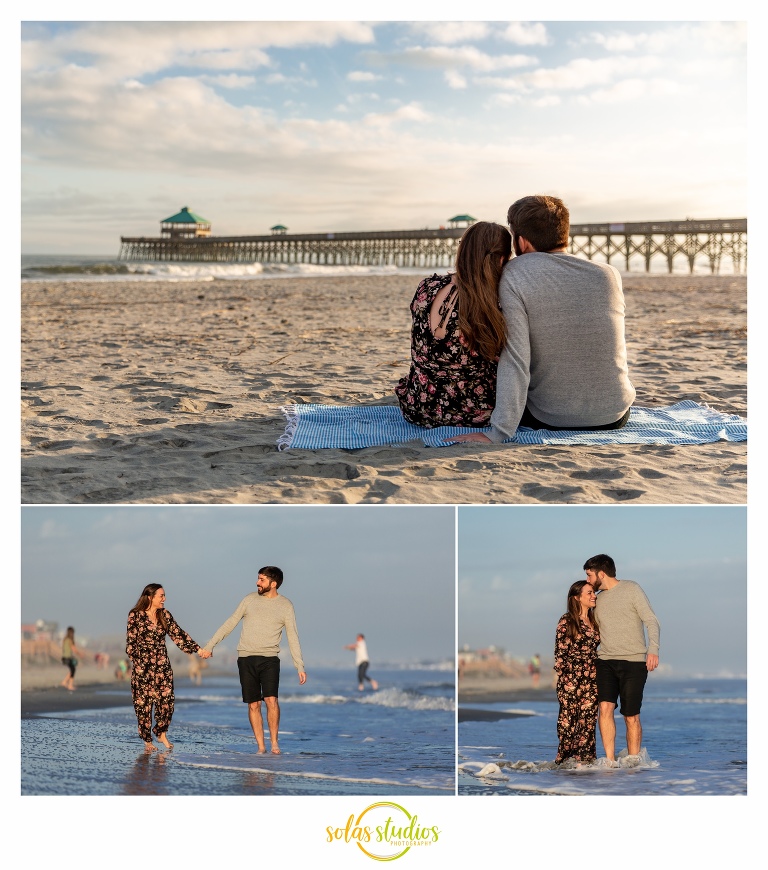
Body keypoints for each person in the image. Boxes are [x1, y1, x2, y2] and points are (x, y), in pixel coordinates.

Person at [450, 195, 635, 444]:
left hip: (551, 417)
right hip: (615, 414)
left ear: (522, 242)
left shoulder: (515, 274)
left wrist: (498, 432)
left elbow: (516, 359)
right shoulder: (609, 274)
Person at [395, 220, 511, 427]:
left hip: (418, 407)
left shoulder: (427, 287)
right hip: (473, 413)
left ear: (462, 250)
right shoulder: (495, 301)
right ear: (502, 259)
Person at [203, 566, 307, 755]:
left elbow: (293, 636)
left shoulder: (286, 606)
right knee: (253, 704)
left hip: (269, 659)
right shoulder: (249, 599)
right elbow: (230, 622)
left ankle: (274, 743)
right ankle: (260, 747)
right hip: (246, 658)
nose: (257, 583)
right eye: (258, 579)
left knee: (271, 700)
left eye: (261, 580)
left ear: (273, 584)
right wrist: (210, 645)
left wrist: (299, 665)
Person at [583, 554, 660, 761]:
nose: (588, 580)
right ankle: (609, 761)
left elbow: (651, 620)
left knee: (630, 716)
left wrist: (653, 649)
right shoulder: (597, 599)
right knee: (605, 707)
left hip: (634, 662)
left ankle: (633, 762)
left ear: (601, 573)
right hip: (605, 661)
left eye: (590, 575)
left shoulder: (632, 589)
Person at [126, 583, 211, 752]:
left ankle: (161, 732)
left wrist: (198, 649)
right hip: (142, 668)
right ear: (150, 597)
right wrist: (138, 663)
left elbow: (178, 634)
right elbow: (130, 644)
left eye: (164, 596)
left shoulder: (164, 615)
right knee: (143, 705)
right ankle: (147, 740)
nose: (164, 599)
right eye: (161, 596)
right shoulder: (135, 615)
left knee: (167, 703)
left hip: (162, 666)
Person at [554, 581, 599, 764]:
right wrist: (563, 683)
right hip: (570, 680)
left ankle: (585, 764)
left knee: (588, 725)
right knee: (568, 726)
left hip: (592, 679)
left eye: (593, 592)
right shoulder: (567, 620)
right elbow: (559, 654)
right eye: (589, 593)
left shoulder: (595, 620)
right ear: (577, 597)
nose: (593, 595)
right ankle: (564, 764)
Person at [60, 626, 82, 691]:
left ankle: (64, 682)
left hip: (64, 658)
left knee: (72, 670)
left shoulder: (65, 639)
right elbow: (74, 649)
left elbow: (66, 650)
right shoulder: (70, 640)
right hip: (68, 658)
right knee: (73, 670)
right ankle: (70, 685)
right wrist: (80, 654)